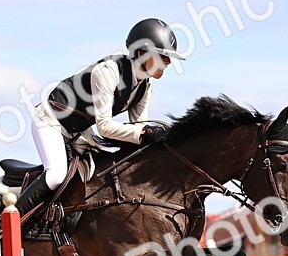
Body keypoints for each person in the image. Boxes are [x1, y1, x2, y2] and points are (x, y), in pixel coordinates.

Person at [17, 18, 185, 215]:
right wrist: (144, 132)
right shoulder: (107, 72)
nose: (168, 62)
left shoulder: (145, 85)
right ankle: (7, 224)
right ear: (140, 53)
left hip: (77, 132)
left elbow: (139, 125)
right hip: (50, 121)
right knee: (56, 175)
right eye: (162, 56)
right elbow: (104, 127)